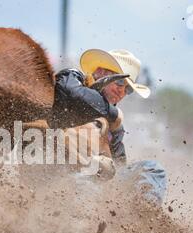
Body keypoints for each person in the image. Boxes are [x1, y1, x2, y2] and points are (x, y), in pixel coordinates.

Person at [51, 49, 166, 209]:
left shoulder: (115, 125)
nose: (122, 91)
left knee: (152, 168)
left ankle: (145, 216)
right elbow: (72, 93)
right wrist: (113, 113)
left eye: (128, 89)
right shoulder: (72, 78)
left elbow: (119, 166)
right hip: (63, 181)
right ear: (100, 72)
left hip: (96, 188)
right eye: (119, 82)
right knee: (83, 185)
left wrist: (107, 167)